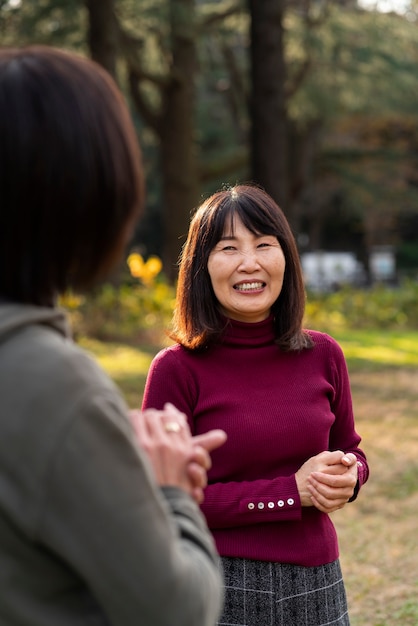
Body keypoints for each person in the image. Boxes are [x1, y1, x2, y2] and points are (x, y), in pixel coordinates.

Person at [0, 44, 227, 626]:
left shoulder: (322, 355)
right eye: (227, 246)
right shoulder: (56, 383)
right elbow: (177, 610)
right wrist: (171, 491)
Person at [142, 184, 370, 626]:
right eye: (229, 248)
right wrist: (289, 494)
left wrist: (350, 475)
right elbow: (162, 500)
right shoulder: (176, 369)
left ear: (285, 257)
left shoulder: (324, 354)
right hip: (216, 581)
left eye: (264, 244)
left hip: (319, 580)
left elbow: (353, 451)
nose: (250, 263)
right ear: (201, 266)